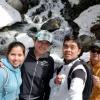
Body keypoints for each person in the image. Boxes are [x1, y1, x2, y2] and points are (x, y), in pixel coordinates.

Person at [49, 34, 87, 100]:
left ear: (79, 51)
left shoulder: (78, 71)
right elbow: (50, 84)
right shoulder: (61, 67)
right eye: (65, 46)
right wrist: (55, 81)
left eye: (72, 47)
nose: (68, 50)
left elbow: (75, 94)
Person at [19, 30, 54, 100]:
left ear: (49, 45)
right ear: (34, 41)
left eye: (46, 43)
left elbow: (48, 83)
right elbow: (11, 65)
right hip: (19, 97)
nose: (43, 45)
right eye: (40, 41)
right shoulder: (24, 54)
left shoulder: (50, 61)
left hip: (37, 98)